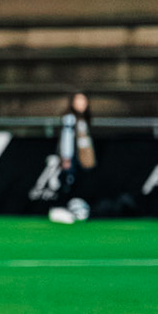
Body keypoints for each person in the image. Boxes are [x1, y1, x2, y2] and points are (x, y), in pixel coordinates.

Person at [48, 91, 95, 224]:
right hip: (72, 157)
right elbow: (66, 139)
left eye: (83, 101)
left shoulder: (83, 119)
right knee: (67, 182)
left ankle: (72, 210)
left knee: (76, 184)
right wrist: (66, 157)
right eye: (78, 101)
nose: (81, 104)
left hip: (80, 158)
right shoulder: (70, 118)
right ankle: (59, 209)